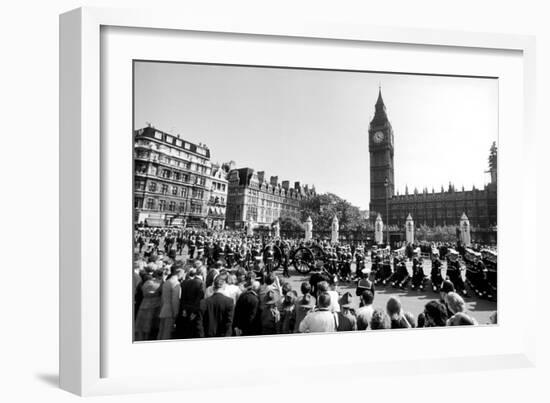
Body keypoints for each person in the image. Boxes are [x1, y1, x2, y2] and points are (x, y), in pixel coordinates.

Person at [134, 269, 163, 341]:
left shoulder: (147, 282)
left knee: (142, 323)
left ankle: (142, 337)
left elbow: (143, 291)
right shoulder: (160, 283)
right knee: (150, 323)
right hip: (155, 305)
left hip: (144, 304)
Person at [176, 268, 205, 339]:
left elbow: (183, 297)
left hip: (186, 309)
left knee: (186, 331)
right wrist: (194, 312)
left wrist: (184, 309)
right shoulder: (201, 283)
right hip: (194, 311)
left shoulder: (187, 282)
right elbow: (199, 299)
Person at [157, 268, 184, 340]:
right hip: (170, 311)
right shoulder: (176, 283)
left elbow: (163, 297)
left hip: (164, 308)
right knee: (167, 333)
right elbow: (175, 300)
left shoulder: (167, 281)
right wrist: (176, 312)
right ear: (179, 273)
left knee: (161, 330)